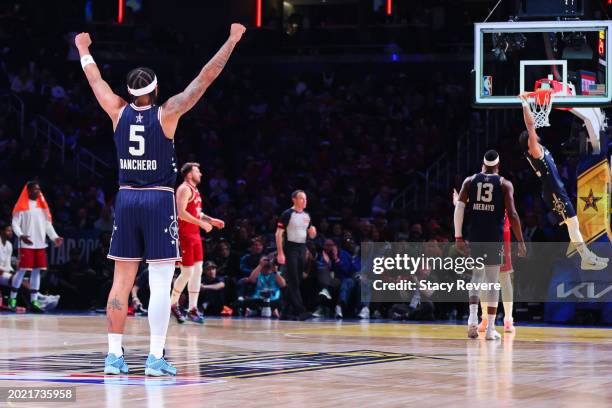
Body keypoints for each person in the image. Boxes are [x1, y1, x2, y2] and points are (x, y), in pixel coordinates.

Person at [75, 23, 246, 376]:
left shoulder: (116, 110)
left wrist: (83, 48)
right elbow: (205, 78)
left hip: (125, 200)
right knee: (159, 283)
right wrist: (231, 39)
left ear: (130, 90)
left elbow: (95, 80)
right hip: (157, 201)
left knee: (120, 282)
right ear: (155, 90)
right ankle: (154, 357)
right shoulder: (167, 113)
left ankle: (113, 356)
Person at [518, 93, 608, 270]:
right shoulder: (534, 150)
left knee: (572, 224)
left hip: (554, 188)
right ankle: (585, 258)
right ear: (529, 142)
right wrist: (524, 103)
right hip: (553, 191)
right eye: (532, 135)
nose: (535, 133)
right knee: (573, 223)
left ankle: (586, 256)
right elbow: (529, 124)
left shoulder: (538, 150)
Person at [454, 150, 526, 340]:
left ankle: (471, 321)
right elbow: (513, 214)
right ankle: (490, 329)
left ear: (482, 165)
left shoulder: (469, 181)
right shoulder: (504, 184)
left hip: (476, 236)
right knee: (494, 282)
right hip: (494, 237)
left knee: (476, 277)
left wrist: (458, 236)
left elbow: (460, 208)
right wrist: (521, 240)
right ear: (498, 166)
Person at [170, 162, 223, 324]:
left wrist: (210, 220)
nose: (200, 173)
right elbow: (181, 213)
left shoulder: (195, 190)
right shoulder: (184, 188)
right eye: (197, 171)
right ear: (189, 174)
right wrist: (202, 224)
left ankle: (192, 308)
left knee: (197, 271)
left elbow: (197, 212)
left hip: (195, 236)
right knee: (186, 273)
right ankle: (173, 304)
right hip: (185, 235)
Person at [10, 182, 63, 313]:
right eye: (35, 189)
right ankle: (12, 300)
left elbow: (47, 225)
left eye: (39, 189)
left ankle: (34, 301)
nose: (38, 191)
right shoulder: (21, 205)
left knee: (37, 271)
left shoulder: (42, 206)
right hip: (26, 243)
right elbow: (15, 224)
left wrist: (54, 237)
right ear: (28, 191)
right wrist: (21, 235)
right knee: (22, 271)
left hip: (40, 244)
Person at [276, 190, 317, 320]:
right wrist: (280, 253)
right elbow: (278, 234)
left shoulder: (307, 215)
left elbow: (311, 234)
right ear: (294, 199)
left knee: (296, 281)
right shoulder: (287, 214)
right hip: (290, 248)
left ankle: (285, 311)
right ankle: (301, 311)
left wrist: (313, 232)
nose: (305, 201)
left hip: (302, 248)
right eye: (302, 199)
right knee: (293, 281)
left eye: (305, 199)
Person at [0, 224, 14, 307]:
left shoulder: (9, 245)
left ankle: (38, 297)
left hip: (3, 273)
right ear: (2, 232)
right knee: (15, 279)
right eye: (8, 230)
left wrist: (13, 272)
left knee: (19, 278)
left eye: (11, 231)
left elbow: (8, 264)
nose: (11, 232)